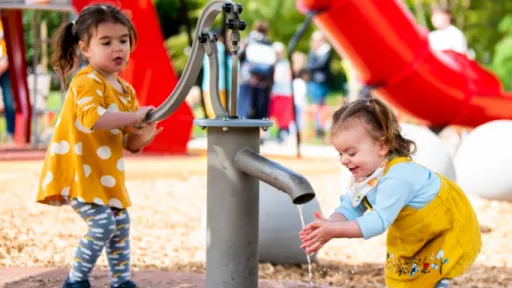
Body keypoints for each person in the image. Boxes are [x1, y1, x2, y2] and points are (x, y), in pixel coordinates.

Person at [36, 4, 162, 288]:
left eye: (123, 40)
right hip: (80, 172)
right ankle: (75, 280)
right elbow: (93, 119)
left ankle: (121, 281)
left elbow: (130, 142)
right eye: (106, 42)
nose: (118, 48)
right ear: (85, 49)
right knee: (103, 225)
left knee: (120, 225)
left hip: (105, 174)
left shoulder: (125, 90)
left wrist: (144, 134)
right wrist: (135, 116)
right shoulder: (86, 81)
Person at [299, 98, 481, 288]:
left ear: (382, 146)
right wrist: (330, 223)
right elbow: (351, 206)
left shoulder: (397, 177)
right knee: (404, 277)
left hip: (444, 226)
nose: (344, 160)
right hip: (416, 230)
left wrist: (335, 231)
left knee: (433, 273)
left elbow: (378, 221)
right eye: (340, 153)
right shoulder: (365, 174)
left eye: (351, 153)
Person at [306, 31, 332, 139]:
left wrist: (312, 65)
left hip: (321, 82)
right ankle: (317, 128)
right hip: (313, 82)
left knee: (320, 105)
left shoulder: (326, 50)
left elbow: (319, 65)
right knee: (315, 106)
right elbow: (309, 65)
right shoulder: (313, 51)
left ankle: (320, 128)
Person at [0, 19, 16, 145]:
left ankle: (10, 133)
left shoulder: (4, 23)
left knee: (9, 102)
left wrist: (5, 62)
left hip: (5, 67)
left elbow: (10, 45)